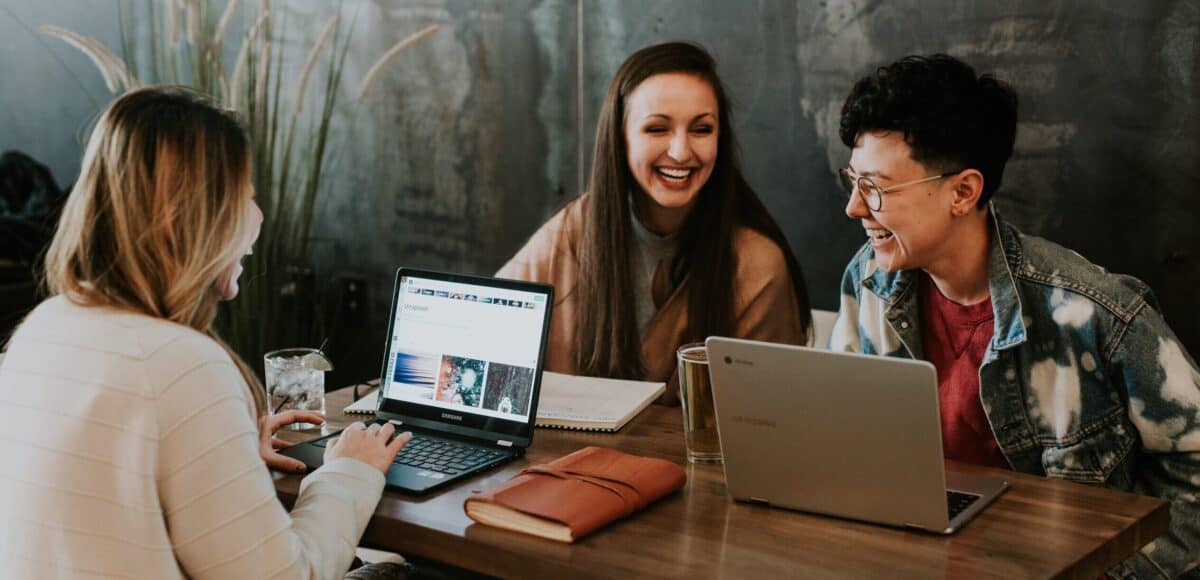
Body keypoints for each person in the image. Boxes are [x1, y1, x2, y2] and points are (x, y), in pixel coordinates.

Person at [0, 87, 412, 578]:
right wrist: (351, 471)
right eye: (246, 198)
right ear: (193, 218)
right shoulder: (182, 364)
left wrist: (225, 448)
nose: (257, 221)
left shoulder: (41, 328)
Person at [829, 54, 1199, 578]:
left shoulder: (1093, 312)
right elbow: (837, 435)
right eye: (853, 180)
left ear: (963, 192)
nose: (854, 207)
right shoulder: (868, 281)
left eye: (876, 188)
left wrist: (1114, 572)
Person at [499, 42, 812, 403]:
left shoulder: (756, 264)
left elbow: (772, 418)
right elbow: (482, 330)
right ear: (621, 138)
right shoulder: (574, 230)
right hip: (565, 458)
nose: (681, 152)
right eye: (657, 129)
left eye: (702, 129)